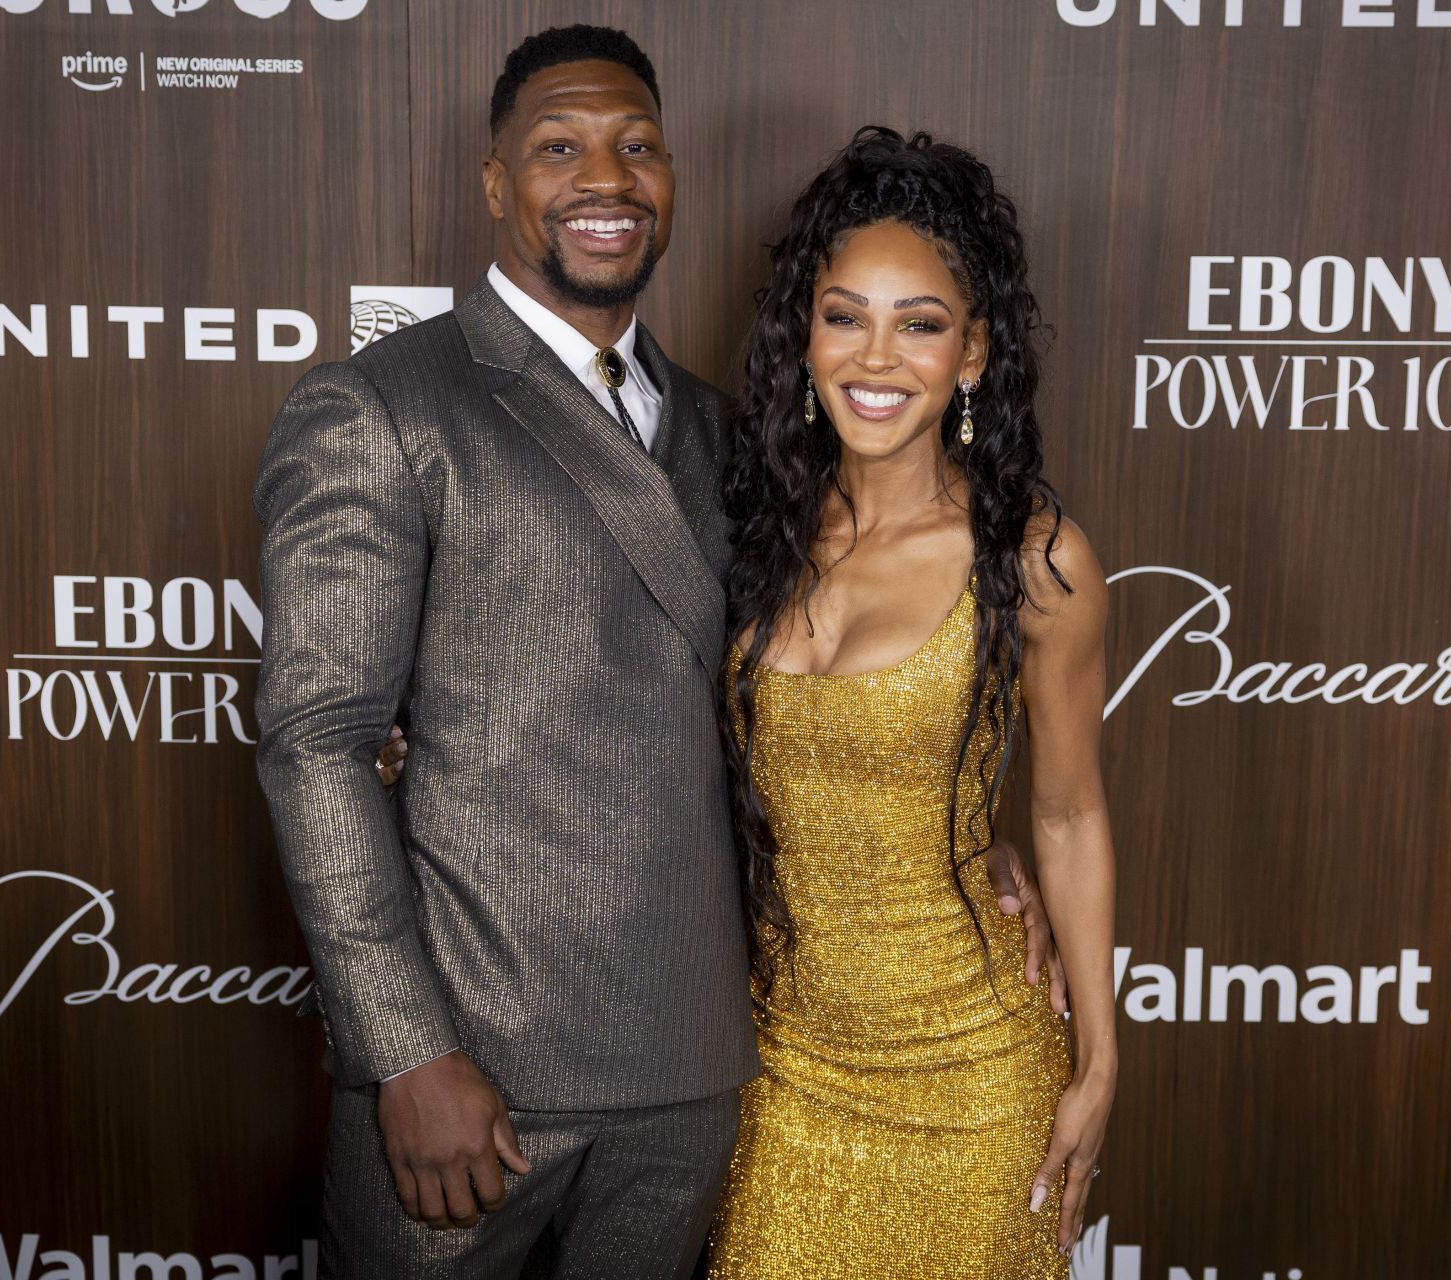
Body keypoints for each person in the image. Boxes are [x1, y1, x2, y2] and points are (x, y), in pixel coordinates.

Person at [256, 28, 1058, 1280]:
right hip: (469, 1068)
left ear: (671, 178)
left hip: (694, 1067)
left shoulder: (727, 436)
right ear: (493, 182)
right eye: (559, 147)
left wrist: (963, 831)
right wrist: (405, 1049)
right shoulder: (384, 406)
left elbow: (810, 699)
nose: (605, 178)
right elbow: (317, 742)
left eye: (637, 146)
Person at [704, 128, 1118, 1276]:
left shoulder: (1036, 561)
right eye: (844, 316)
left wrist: (1099, 1061)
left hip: (977, 1082)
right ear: (805, 335)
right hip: (781, 1069)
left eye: (920, 323)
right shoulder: (739, 531)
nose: (875, 356)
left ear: (973, 351)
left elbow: (1073, 814)